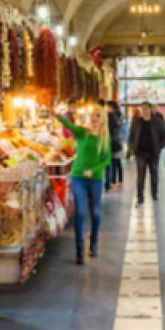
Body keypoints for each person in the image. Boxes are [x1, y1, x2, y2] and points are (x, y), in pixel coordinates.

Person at [54, 109, 111, 265]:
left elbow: (107, 161)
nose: (94, 118)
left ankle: (93, 242)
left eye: (98, 115)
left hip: (95, 179)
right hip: (78, 176)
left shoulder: (104, 138)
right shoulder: (82, 132)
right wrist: (57, 115)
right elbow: (68, 125)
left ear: (103, 120)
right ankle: (79, 247)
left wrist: (93, 170)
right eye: (93, 115)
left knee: (96, 213)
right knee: (80, 211)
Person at [128, 102, 165, 206]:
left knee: (154, 175)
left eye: (146, 108)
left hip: (153, 153)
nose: (144, 111)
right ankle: (140, 197)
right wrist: (132, 147)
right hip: (140, 153)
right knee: (141, 176)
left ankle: (154, 194)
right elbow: (131, 136)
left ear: (150, 109)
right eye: (142, 109)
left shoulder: (158, 122)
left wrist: (159, 147)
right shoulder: (136, 122)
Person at [105, 101, 125, 192]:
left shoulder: (110, 116)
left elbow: (109, 130)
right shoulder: (118, 116)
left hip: (112, 144)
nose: (106, 108)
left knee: (111, 164)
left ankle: (111, 183)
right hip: (117, 143)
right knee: (117, 163)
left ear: (111, 108)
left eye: (107, 107)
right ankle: (118, 182)